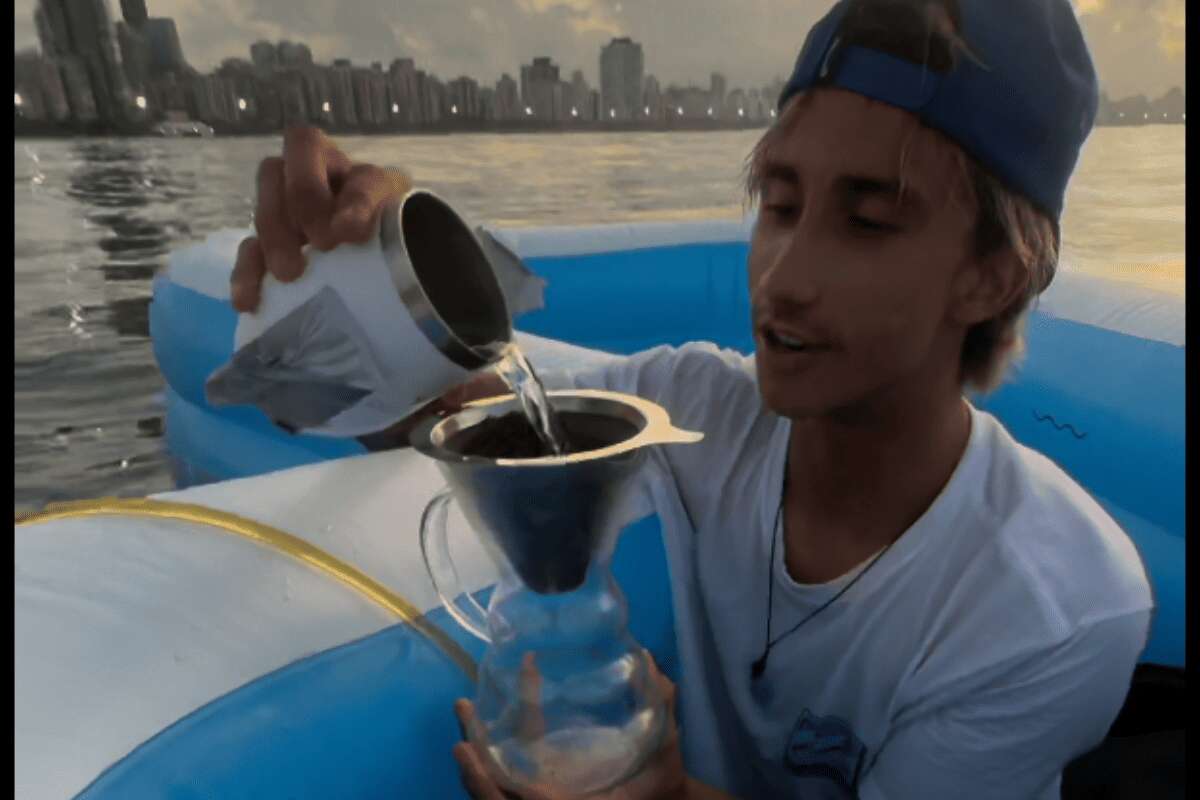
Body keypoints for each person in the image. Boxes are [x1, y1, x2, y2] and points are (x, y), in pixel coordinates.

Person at [231, 0, 1153, 797]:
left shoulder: (1053, 604)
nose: (782, 280)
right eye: (781, 206)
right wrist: (350, 280)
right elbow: (425, 416)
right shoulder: (690, 408)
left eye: (867, 220)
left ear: (994, 277)